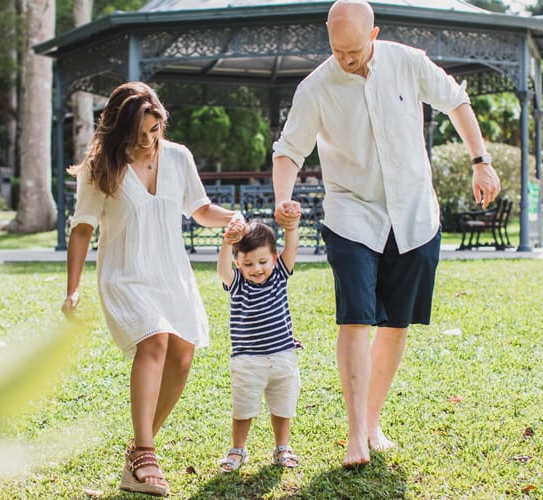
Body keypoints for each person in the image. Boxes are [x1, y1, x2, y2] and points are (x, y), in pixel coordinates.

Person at [271, 0, 501, 467]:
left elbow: (456, 99)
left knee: (396, 324)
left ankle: (372, 422)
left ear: (373, 35)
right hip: (352, 215)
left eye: (354, 50)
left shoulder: (407, 62)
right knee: (355, 318)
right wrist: (282, 198)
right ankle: (356, 436)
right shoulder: (315, 87)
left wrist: (481, 161)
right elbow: (288, 150)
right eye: (337, 51)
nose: (346, 59)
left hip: (415, 215)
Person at [61, 81, 242, 496]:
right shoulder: (100, 167)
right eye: (139, 134)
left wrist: (233, 217)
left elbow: (199, 209)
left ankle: (138, 455)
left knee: (182, 356)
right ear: (120, 129)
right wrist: (72, 289)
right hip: (124, 274)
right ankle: (145, 453)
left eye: (154, 130)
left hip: (170, 272)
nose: (148, 141)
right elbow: (83, 229)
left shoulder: (178, 158)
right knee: (155, 341)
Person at [216, 209, 304, 473]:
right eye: (248, 264)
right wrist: (227, 240)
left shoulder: (279, 275)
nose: (257, 269)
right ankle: (238, 449)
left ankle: (282, 448)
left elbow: (292, 246)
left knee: (283, 405)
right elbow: (222, 268)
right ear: (238, 263)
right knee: (243, 408)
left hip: (282, 356)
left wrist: (291, 226)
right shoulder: (237, 284)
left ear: (274, 259)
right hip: (247, 361)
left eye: (263, 262)